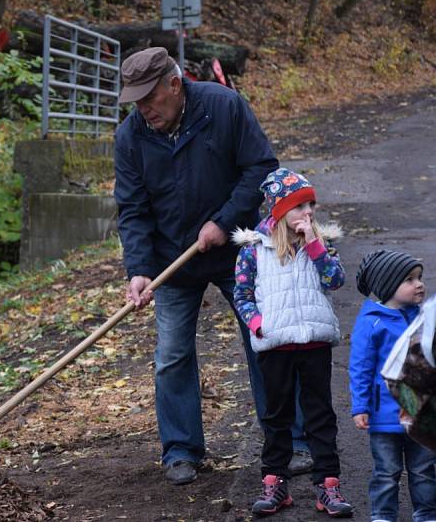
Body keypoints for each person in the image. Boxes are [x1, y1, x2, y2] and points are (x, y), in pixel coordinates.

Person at [114, 46, 311, 486]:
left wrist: (223, 222)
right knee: (171, 354)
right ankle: (181, 450)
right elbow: (132, 209)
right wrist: (139, 269)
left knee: (265, 340)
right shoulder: (130, 136)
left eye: (150, 98)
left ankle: (291, 440)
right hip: (172, 261)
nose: (144, 110)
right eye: (136, 102)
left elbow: (261, 167)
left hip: (236, 251)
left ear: (174, 84)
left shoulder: (224, 106)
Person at [233, 167, 354, 517]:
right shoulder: (255, 249)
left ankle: (328, 485)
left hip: (313, 340)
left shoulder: (320, 243)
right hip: (275, 343)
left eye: (311, 205)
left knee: (320, 415)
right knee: (277, 415)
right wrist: (257, 325)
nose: (309, 213)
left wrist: (315, 245)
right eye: (301, 206)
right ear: (280, 210)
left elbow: (335, 280)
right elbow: (241, 293)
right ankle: (274, 483)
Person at [350, 250, 436, 522]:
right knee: (387, 472)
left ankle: (426, 514)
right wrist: (360, 406)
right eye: (409, 280)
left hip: (420, 412)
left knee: (424, 469)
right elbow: (361, 368)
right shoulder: (371, 322)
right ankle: (383, 515)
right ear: (389, 286)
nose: (419, 284)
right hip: (384, 414)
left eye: (419, 277)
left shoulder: (424, 318)